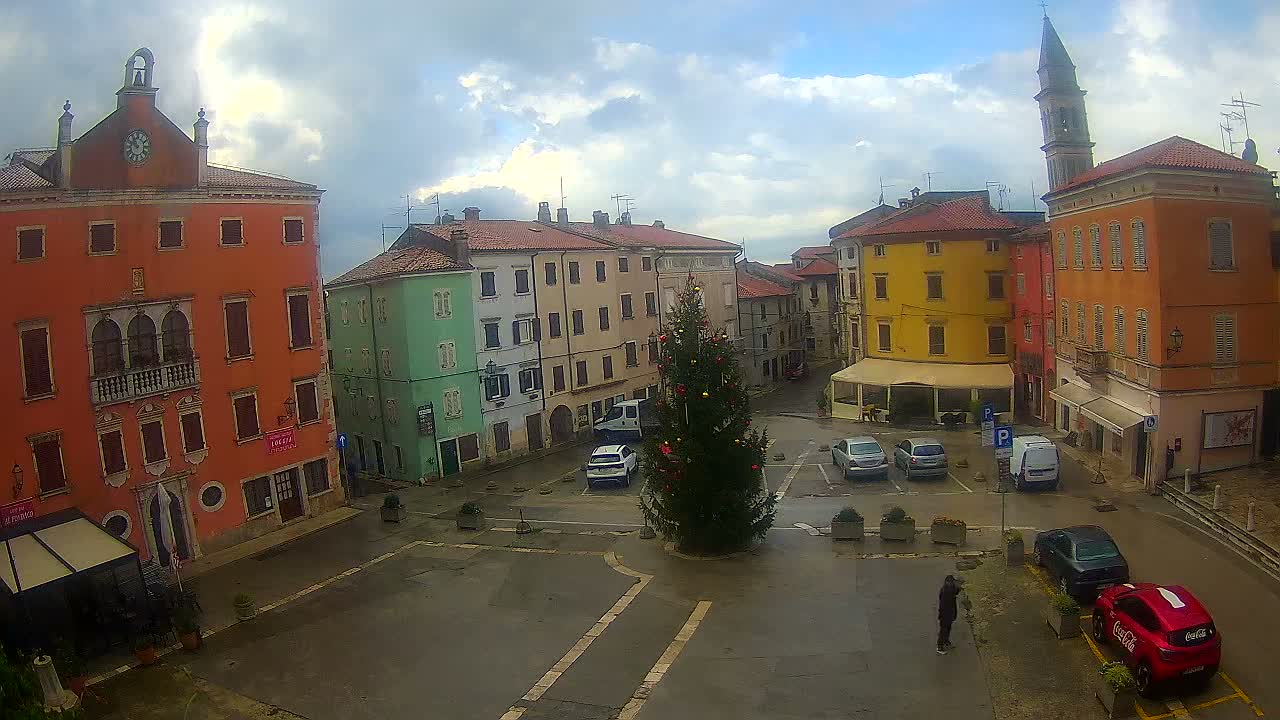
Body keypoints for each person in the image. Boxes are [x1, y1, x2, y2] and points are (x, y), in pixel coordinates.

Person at [937, 574, 959, 654]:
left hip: (950, 613)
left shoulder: (951, 589)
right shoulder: (945, 591)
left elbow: (956, 592)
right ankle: (940, 646)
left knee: (948, 628)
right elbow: (942, 605)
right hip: (945, 614)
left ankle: (946, 641)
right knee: (943, 630)